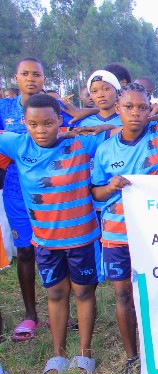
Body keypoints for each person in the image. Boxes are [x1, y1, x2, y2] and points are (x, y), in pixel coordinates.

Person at [0, 94, 113, 374]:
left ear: (60, 121)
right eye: (33, 124)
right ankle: (58, 354)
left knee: (84, 293)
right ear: (24, 123)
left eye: (49, 123)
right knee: (55, 294)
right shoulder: (17, 145)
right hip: (46, 242)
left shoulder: (80, 143)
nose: (41, 130)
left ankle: (84, 353)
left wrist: (96, 127)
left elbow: (122, 127)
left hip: (82, 239)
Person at [90, 83, 158, 374]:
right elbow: (95, 193)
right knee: (123, 294)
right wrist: (110, 187)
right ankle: (131, 357)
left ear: (150, 109)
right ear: (117, 109)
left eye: (142, 107)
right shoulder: (105, 149)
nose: (135, 113)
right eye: (128, 107)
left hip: (155, 233)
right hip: (117, 233)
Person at [0, 57, 73, 342]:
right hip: (17, 189)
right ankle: (31, 314)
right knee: (26, 250)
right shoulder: (4, 108)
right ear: (15, 77)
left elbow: (76, 133)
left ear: (44, 78)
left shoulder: (58, 108)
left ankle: (63, 310)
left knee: (61, 248)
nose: (31, 79)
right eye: (25, 74)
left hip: (54, 189)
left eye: (37, 74)